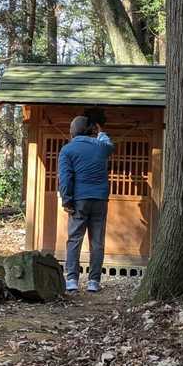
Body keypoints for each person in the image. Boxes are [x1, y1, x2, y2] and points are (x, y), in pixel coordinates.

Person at [58, 110, 114, 294]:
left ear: (73, 131)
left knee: (75, 239)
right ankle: (94, 282)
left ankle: (72, 280)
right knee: (97, 241)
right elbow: (109, 145)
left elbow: (65, 179)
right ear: (90, 130)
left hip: (79, 199)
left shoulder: (67, 150)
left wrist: (67, 201)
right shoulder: (101, 146)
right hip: (100, 199)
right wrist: (101, 131)